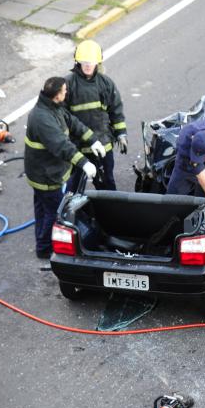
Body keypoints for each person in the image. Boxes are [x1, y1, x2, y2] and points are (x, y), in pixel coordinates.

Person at [24, 77, 104, 259]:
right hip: (46, 176)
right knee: (54, 212)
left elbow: (72, 122)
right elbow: (61, 145)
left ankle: (41, 240)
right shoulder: (42, 119)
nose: (66, 93)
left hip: (43, 171)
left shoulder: (52, 107)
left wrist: (93, 140)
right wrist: (84, 163)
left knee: (42, 208)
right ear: (56, 95)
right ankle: (44, 248)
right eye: (64, 91)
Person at [65, 40, 127, 191]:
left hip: (102, 146)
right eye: (84, 61)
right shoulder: (68, 84)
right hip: (78, 148)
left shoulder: (106, 83)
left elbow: (116, 110)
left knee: (107, 184)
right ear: (77, 61)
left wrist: (121, 134)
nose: (87, 65)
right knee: (73, 187)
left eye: (91, 62)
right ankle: (70, 213)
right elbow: (61, 115)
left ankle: (109, 212)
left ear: (98, 63)